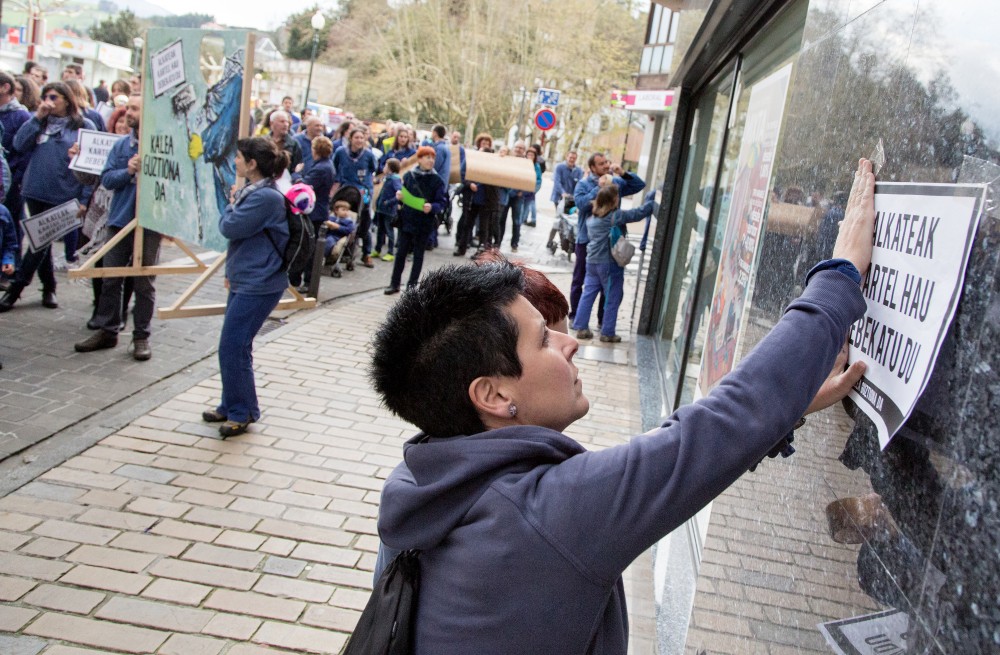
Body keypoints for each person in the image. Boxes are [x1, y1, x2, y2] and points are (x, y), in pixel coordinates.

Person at [368, 158, 876, 654]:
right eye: (545, 340)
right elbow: (713, 431)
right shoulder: (544, 515)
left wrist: (787, 405)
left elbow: (673, 457)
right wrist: (840, 278)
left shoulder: (426, 480)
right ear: (494, 395)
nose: (569, 345)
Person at [202, 137, 290, 438]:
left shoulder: (264, 198)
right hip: (248, 277)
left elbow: (229, 228)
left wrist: (229, 205)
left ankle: (243, 412)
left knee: (233, 346)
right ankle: (232, 404)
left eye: (239, 157)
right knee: (235, 346)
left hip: (260, 281)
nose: (235, 161)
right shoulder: (255, 193)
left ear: (252, 164)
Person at [74, 94, 161, 360]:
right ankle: (108, 329)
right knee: (111, 277)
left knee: (144, 282)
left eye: (135, 108)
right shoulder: (122, 145)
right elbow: (108, 179)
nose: (128, 113)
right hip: (119, 220)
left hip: (149, 223)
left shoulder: (162, 147)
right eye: (128, 108)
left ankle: (141, 337)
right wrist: (128, 171)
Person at [0, 82, 95, 313]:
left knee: (39, 242)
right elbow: (18, 145)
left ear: (66, 99)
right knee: (40, 240)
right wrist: (37, 118)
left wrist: (84, 198)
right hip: (35, 189)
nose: (48, 102)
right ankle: (49, 287)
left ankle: (16, 289)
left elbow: (90, 166)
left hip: (64, 191)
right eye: (45, 97)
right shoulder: (39, 120)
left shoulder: (83, 124)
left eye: (53, 97)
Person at [572, 185, 657, 342]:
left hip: (591, 262)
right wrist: (651, 205)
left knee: (588, 294)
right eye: (617, 197)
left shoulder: (592, 218)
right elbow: (637, 214)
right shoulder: (614, 217)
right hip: (609, 265)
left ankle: (581, 327)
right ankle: (607, 332)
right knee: (613, 297)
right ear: (613, 200)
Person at [571, 153, 645, 325]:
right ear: (592, 168)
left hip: (612, 242)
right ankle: (576, 316)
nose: (605, 165)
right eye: (601, 163)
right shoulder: (583, 184)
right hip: (586, 240)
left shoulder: (616, 181)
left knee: (608, 287)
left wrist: (623, 173)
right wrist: (600, 187)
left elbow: (639, 185)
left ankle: (603, 320)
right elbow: (581, 204)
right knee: (580, 281)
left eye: (606, 162)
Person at [384, 145, 448, 294]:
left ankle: (411, 287)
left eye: (432, 158)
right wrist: (399, 198)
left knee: (418, 255)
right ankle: (394, 284)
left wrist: (432, 206)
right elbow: (403, 196)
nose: (431, 161)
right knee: (401, 253)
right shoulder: (408, 176)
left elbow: (442, 202)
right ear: (419, 159)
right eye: (427, 157)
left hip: (424, 222)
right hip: (407, 220)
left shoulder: (437, 180)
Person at [0, 71, 33, 273]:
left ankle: (11, 268)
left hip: (11, 183)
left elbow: (24, 151)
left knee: (10, 225)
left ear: (5, 87)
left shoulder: (21, 116)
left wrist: (17, 181)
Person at [333, 126, 378, 267]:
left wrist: (367, 188)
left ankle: (366, 253)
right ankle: (342, 251)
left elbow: (373, 169)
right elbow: (335, 166)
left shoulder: (369, 155)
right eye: (356, 137)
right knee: (345, 219)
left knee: (364, 223)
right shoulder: (341, 152)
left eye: (361, 138)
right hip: (346, 191)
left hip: (363, 192)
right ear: (350, 139)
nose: (359, 140)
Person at [295, 135, 335, 291]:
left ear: (316, 150)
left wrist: (297, 174)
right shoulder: (325, 165)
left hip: (315, 212)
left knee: (309, 248)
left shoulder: (321, 168)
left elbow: (304, 186)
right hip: (319, 210)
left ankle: (308, 282)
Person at [548, 150, 583, 251]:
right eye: (570, 157)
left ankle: (566, 243)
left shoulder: (578, 170)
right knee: (559, 219)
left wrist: (577, 195)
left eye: (574, 158)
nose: (572, 159)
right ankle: (552, 241)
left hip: (572, 200)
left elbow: (580, 184)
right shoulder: (559, 167)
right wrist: (563, 193)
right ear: (566, 157)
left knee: (569, 220)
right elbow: (557, 181)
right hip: (559, 198)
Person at [373, 157, 402, 261]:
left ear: (390, 168)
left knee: (389, 231)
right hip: (381, 209)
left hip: (388, 210)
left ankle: (390, 252)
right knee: (380, 230)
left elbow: (399, 194)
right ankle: (377, 249)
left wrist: (388, 203)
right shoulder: (387, 178)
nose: (384, 168)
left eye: (386, 166)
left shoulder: (395, 179)